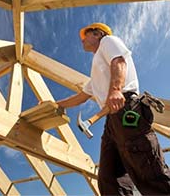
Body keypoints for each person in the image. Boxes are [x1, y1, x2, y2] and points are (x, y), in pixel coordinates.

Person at [56, 22, 170, 195]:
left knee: (149, 172)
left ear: (97, 34)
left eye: (84, 36)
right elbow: (80, 97)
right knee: (109, 179)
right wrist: (58, 104)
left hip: (125, 107)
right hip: (112, 122)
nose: (82, 41)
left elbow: (119, 61)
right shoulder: (97, 70)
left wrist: (116, 89)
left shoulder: (108, 41)